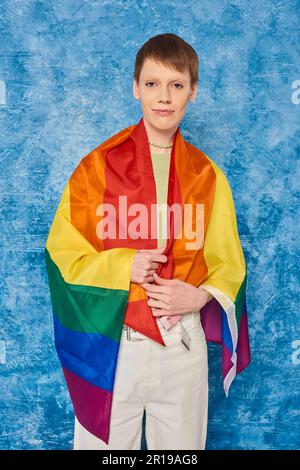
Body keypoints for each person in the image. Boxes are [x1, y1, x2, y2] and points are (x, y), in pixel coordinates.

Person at [45, 33, 250, 450]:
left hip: (182, 344)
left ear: (193, 91)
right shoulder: (95, 167)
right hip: (113, 344)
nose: (164, 97)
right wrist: (125, 266)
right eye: (153, 84)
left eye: (176, 85)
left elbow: (230, 264)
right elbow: (61, 256)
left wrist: (199, 297)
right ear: (135, 87)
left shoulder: (207, 176)